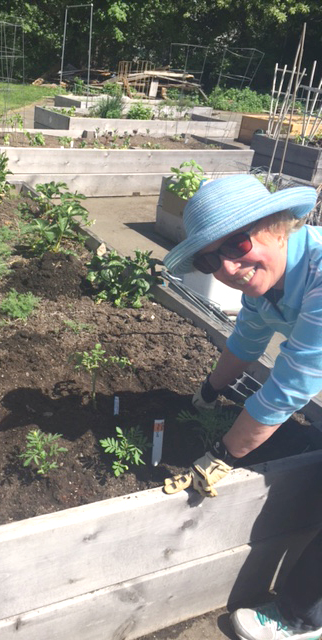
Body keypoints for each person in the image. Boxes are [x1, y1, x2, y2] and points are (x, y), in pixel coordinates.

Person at [162, 173, 322, 640]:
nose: (227, 267)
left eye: (236, 245)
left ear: (278, 226)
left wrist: (224, 455)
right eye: (210, 258)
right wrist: (210, 390)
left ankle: (302, 618)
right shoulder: (266, 283)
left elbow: (289, 386)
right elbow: (248, 341)